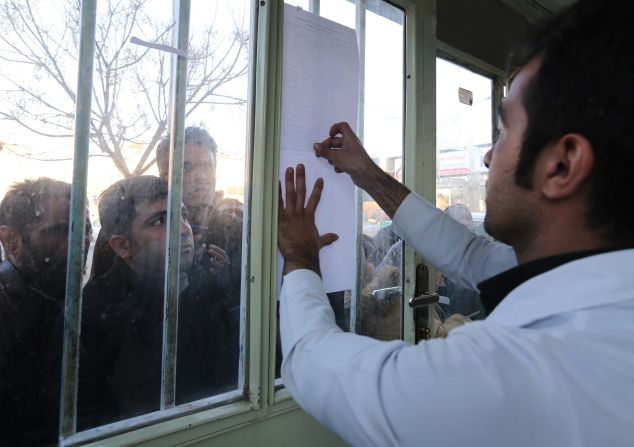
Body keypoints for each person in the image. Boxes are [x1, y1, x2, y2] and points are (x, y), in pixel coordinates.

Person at [277, 1, 634, 446]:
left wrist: (299, 256)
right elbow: (468, 253)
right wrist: (366, 173)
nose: (488, 156)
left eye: (504, 133)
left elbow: (311, 360)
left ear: (562, 166)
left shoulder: (507, 375)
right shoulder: (605, 298)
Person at [78, 176, 238, 428]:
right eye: (161, 220)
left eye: (183, 216)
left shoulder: (206, 286)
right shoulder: (96, 311)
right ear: (122, 246)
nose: (184, 230)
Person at [0, 178, 90, 446]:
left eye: (84, 229)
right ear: (11, 240)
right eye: (62, 230)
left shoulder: (59, 299)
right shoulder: (8, 314)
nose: (81, 242)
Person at [156, 126, 242, 319]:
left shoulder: (236, 231)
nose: (201, 177)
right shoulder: (147, 232)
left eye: (207, 166)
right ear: (164, 176)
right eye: (186, 168)